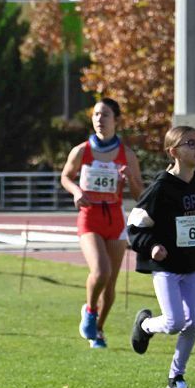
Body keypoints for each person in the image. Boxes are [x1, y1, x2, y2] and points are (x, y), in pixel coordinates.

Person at [128, 126, 195, 388]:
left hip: (190, 267)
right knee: (175, 322)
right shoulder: (160, 188)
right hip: (165, 267)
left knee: (193, 322)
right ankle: (145, 324)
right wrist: (152, 246)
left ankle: (176, 376)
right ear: (173, 151)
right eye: (190, 143)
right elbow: (134, 226)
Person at [59, 99, 145, 348]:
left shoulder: (126, 155)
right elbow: (65, 176)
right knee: (101, 271)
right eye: (96, 114)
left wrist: (130, 178)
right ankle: (89, 310)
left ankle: (98, 330)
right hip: (89, 216)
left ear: (115, 119)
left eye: (105, 114)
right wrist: (75, 191)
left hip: (115, 218)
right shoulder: (81, 150)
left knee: (110, 284)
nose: (99, 119)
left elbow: (141, 195)